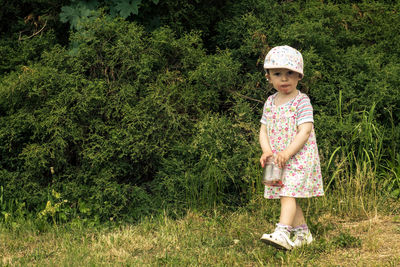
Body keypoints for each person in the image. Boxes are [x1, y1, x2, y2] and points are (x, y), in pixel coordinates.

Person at [259, 45, 324, 250]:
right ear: (269, 77)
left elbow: (305, 131)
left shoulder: (301, 101)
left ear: (299, 76)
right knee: (287, 194)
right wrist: (266, 151)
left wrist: (287, 152)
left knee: (287, 193)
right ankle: (303, 234)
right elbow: (263, 130)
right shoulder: (270, 102)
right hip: (278, 159)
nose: (284, 78)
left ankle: (283, 232)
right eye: (278, 74)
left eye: (290, 73)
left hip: (298, 157)